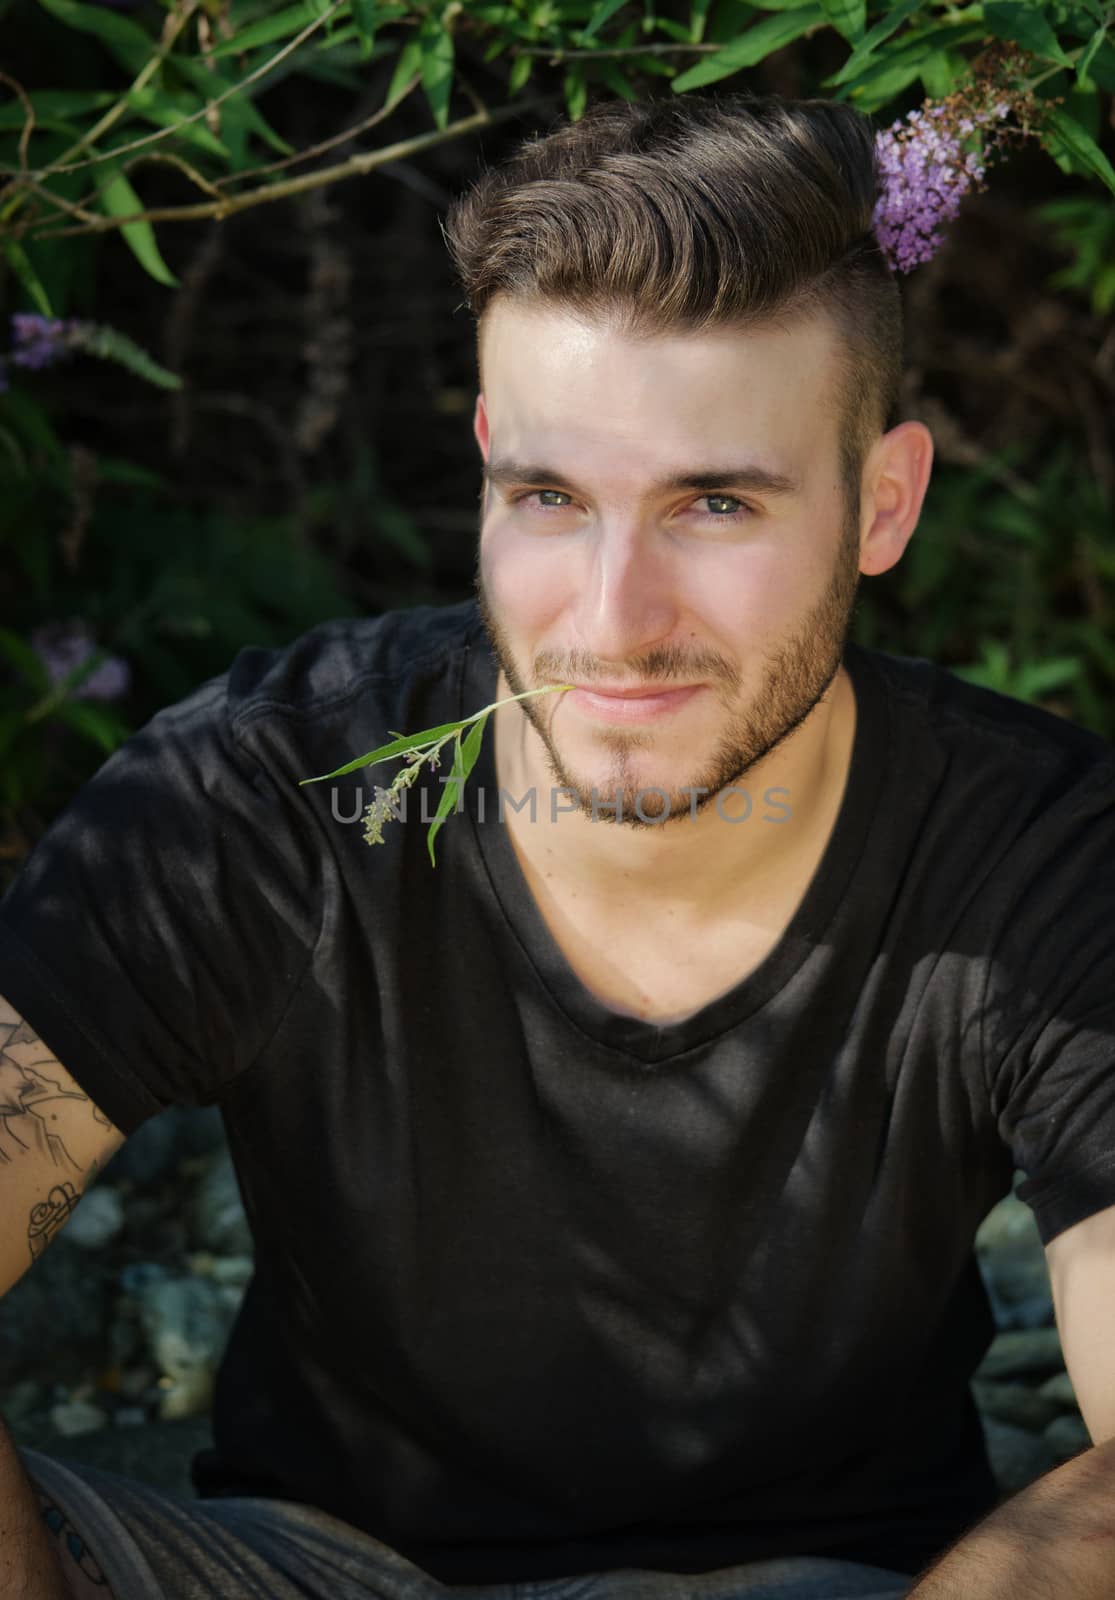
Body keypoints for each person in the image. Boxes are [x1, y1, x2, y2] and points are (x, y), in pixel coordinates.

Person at [0, 89, 1113, 1600]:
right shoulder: (262, 796)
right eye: (549, 497)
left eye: (714, 503)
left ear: (884, 501)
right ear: (482, 463)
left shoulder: (1043, 853)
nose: (611, 621)